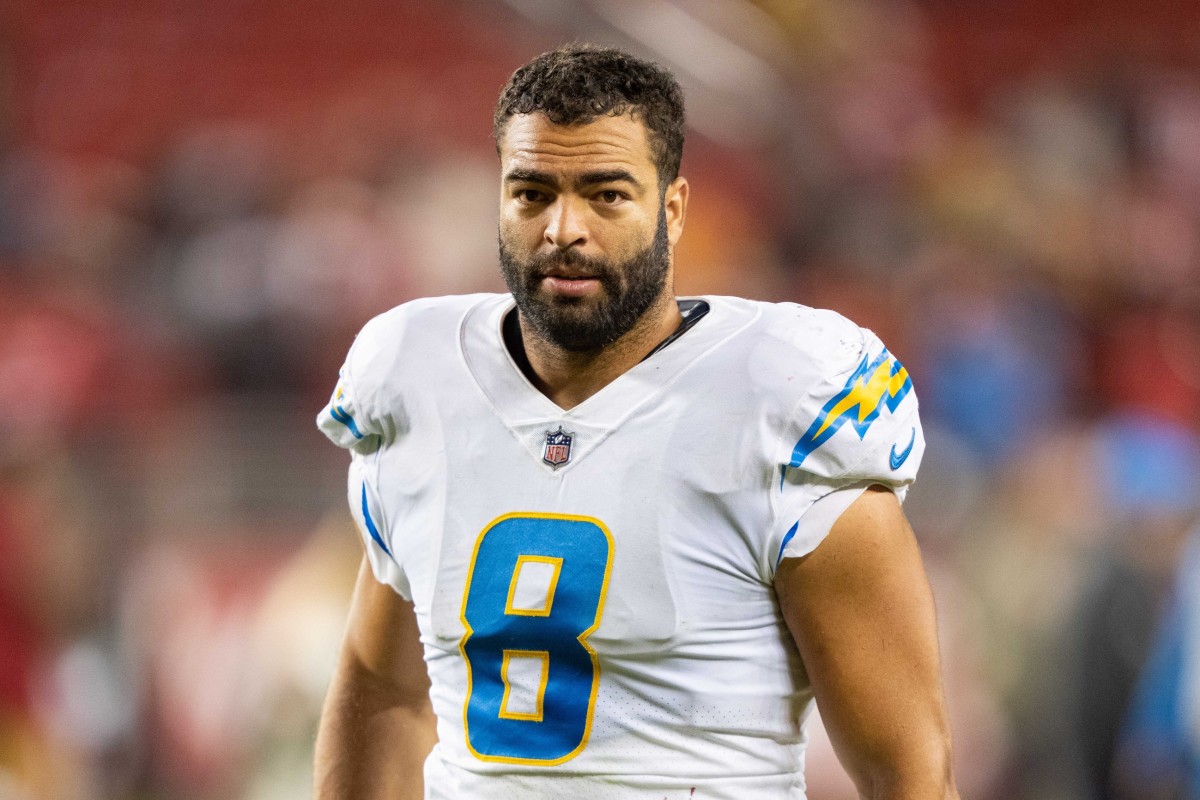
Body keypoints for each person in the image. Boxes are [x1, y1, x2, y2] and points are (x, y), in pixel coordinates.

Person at [314, 43, 958, 800]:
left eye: (606, 194)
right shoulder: (417, 374)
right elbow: (382, 687)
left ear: (674, 208)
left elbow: (907, 771)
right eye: (530, 193)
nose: (563, 229)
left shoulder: (783, 401)